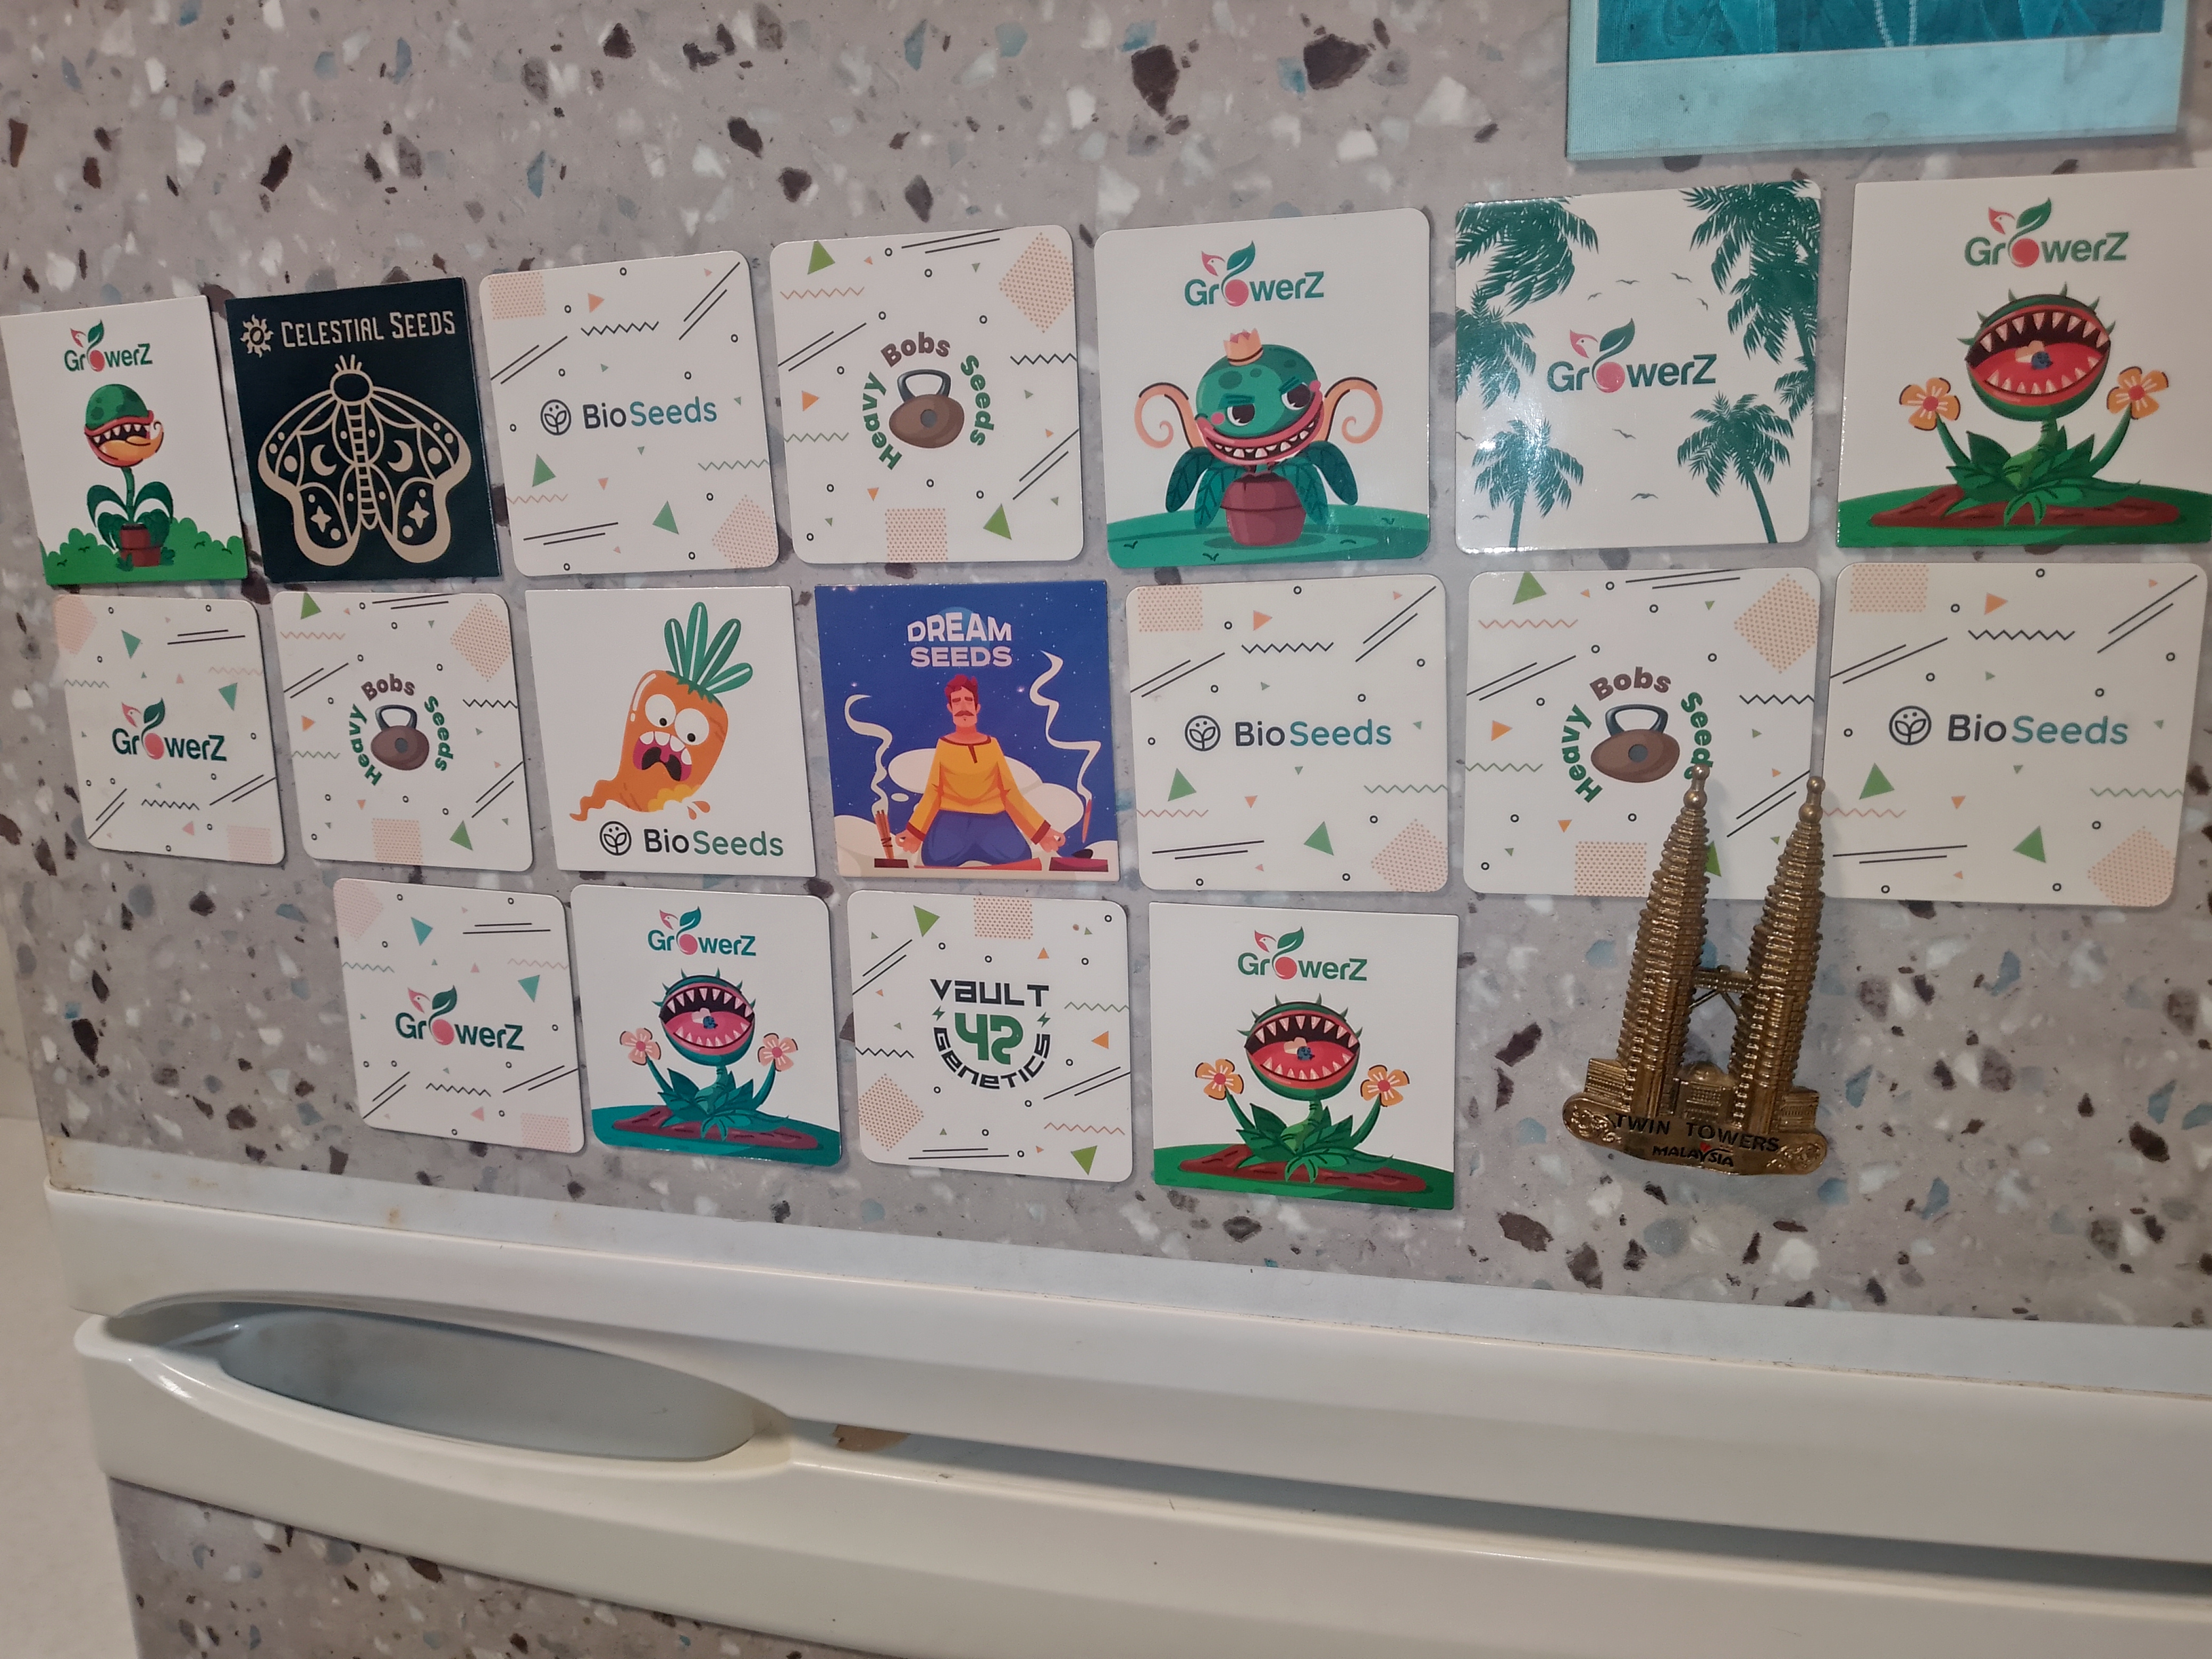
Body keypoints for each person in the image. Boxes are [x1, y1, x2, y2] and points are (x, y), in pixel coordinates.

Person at [895, 675, 1066, 867]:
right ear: (950, 708)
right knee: (934, 859)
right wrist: (915, 833)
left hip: (994, 822)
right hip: (952, 822)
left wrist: (1043, 833)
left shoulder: (992, 745)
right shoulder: (944, 745)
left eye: (969, 700)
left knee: (1021, 858)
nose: (963, 706)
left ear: (977, 708)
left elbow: (1009, 792)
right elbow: (934, 792)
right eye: (957, 701)